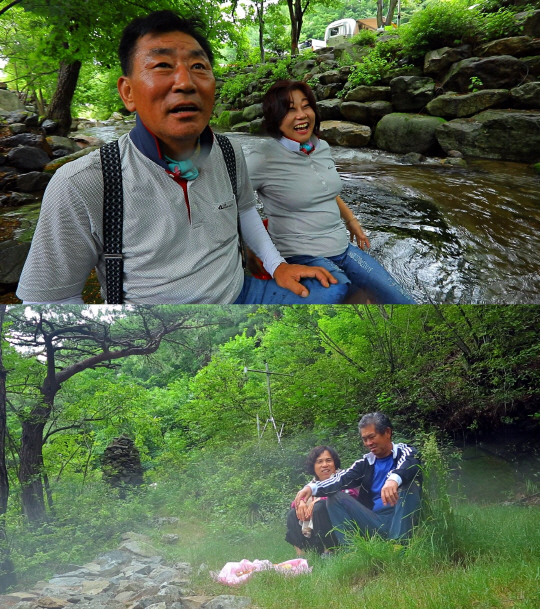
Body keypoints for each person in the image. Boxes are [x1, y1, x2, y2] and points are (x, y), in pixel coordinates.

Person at [16, 12, 348, 305]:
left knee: (334, 291)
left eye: (198, 66)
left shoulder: (230, 153)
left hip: (243, 292)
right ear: (128, 92)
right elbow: (49, 300)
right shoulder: (84, 182)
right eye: (162, 65)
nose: (185, 82)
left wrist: (278, 265)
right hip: (159, 323)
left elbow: (246, 209)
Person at [245, 80, 416, 304]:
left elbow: (326, 190)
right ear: (275, 119)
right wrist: (250, 252)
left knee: (399, 298)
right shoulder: (261, 158)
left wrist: (351, 220)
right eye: (290, 110)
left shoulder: (321, 147)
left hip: (342, 249)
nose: (301, 115)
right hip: (300, 255)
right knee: (343, 294)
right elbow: (236, 206)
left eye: (306, 106)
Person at [294, 413, 422, 543]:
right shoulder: (365, 462)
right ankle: (352, 550)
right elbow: (340, 478)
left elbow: (410, 463)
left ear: (387, 432)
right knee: (335, 498)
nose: (368, 443)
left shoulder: (405, 452)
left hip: (402, 518)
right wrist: (312, 487)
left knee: (409, 485)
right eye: (364, 439)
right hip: (373, 520)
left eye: (372, 437)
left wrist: (394, 479)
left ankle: (399, 543)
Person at [286, 446, 359, 555]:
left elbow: (351, 495)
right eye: (319, 462)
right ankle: (303, 555)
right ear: (313, 466)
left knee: (320, 506)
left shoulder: (344, 478)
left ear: (335, 463)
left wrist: (319, 499)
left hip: (341, 529)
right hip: (316, 534)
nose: (324, 465)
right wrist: (301, 502)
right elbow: (296, 501)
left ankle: (330, 550)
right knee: (293, 513)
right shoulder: (313, 484)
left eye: (328, 460)